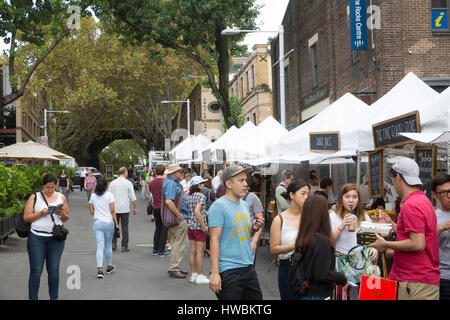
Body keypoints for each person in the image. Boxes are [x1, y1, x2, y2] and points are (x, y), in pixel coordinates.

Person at [370, 157, 440, 300]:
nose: (392, 182)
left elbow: (418, 243)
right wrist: (393, 225)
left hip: (415, 281)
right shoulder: (422, 199)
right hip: (420, 280)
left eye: (392, 177)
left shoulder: (411, 205)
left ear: (398, 177)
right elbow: (418, 234)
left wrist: (385, 244)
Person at [208, 165, 265, 300]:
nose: (246, 184)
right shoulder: (218, 206)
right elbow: (214, 240)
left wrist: (254, 228)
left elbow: (244, 235)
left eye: (246, 180)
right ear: (229, 184)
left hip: (248, 267)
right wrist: (215, 273)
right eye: (241, 180)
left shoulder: (244, 205)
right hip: (228, 270)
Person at [23, 172, 70, 300]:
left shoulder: (62, 197)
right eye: (47, 187)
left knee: (53, 271)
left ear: (56, 185)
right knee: (36, 271)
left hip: (56, 239)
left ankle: (54, 298)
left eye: (52, 187)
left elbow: (66, 217)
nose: (49, 190)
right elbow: (26, 218)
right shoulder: (34, 197)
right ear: (43, 186)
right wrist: (41, 213)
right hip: (36, 238)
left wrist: (61, 213)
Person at [294, 194, 348, 300]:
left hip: (305, 293)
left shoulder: (304, 237)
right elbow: (321, 274)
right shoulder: (321, 241)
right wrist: (340, 277)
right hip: (317, 294)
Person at [330, 183, 377, 300]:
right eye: (347, 196)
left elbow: (371, 241)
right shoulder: (333, 217)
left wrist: (374, 249)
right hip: (342, 264)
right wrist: (342, 225)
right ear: (341, 198)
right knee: (345, 296)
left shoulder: (365, 217)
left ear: (358, 200)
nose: (351, 200)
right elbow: (328, 242)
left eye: (354, 197)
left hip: (362, 265)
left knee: (363, 296)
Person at [270, 180, 310, 300]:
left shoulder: (310, 217)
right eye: (303, 194)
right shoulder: (279, 220)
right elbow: (274, 249)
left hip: (309, 267)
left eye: (308, 194)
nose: (306, 197)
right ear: (292, 195)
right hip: (288, 267)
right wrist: (296, 245)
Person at [162, 164, 189, 279]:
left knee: (177, 242)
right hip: (177, 218)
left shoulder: (170, 182)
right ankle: (174, 268)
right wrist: (178, 214)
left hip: (175, 217)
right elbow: (169, 201)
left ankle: (175, 267)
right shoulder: (171, 184)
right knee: (179, 243)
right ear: (175, 173)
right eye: (179, 172)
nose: (181, 174)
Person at [89, 178, 120, 279]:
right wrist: (117, 224)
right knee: (108, 245)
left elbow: (92, 211)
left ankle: (99, 270)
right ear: (106, 186)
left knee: (99, 247)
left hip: (97, 223)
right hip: (108, 223)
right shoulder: (110, 195)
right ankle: (109, 266)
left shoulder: (93, 196)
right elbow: (112, 210)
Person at [108, 167, 137, 252]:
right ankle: (124, 246)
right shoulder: (128, 183)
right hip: (125, 209)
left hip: (115, 209)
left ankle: (113, 243)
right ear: (125, 173)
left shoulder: (113, 183)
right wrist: (135, 207)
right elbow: (133, 197)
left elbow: (109, 196)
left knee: (113, 226)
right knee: (125, 227)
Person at [187, 176, 210, 284]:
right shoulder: (201, 196)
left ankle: (193, 274)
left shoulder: (190, 196)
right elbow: (197, 211)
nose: (204, 185)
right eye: (202, 183)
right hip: (198, 227)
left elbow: (196, 211)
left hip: (190, 226)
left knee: (193, 252)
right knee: (200, 253)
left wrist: (206, 213)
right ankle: (200, 276)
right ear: (198, 185)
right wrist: (203, 225)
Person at [431, 174, 450, 300]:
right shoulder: (432, 216)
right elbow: (424, 240)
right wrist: (443, 228)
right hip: (443, 277)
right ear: (434, 195)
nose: (449, 196)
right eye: (444, 192)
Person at [149, 164, 169, 257]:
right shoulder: (166, 182)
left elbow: (151, 193)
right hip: (164, 207)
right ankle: (161, 250)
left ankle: (155, 249)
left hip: (155, 207)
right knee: (164, 228)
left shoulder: (151, 183)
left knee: (157, 228)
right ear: (164, 171)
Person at [242, 185, 264, 264]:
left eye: (244, 180)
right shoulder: (228, 199)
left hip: (249, 239)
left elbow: (260, 221)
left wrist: (254, 242)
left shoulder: (253, 198)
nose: (244, 184)